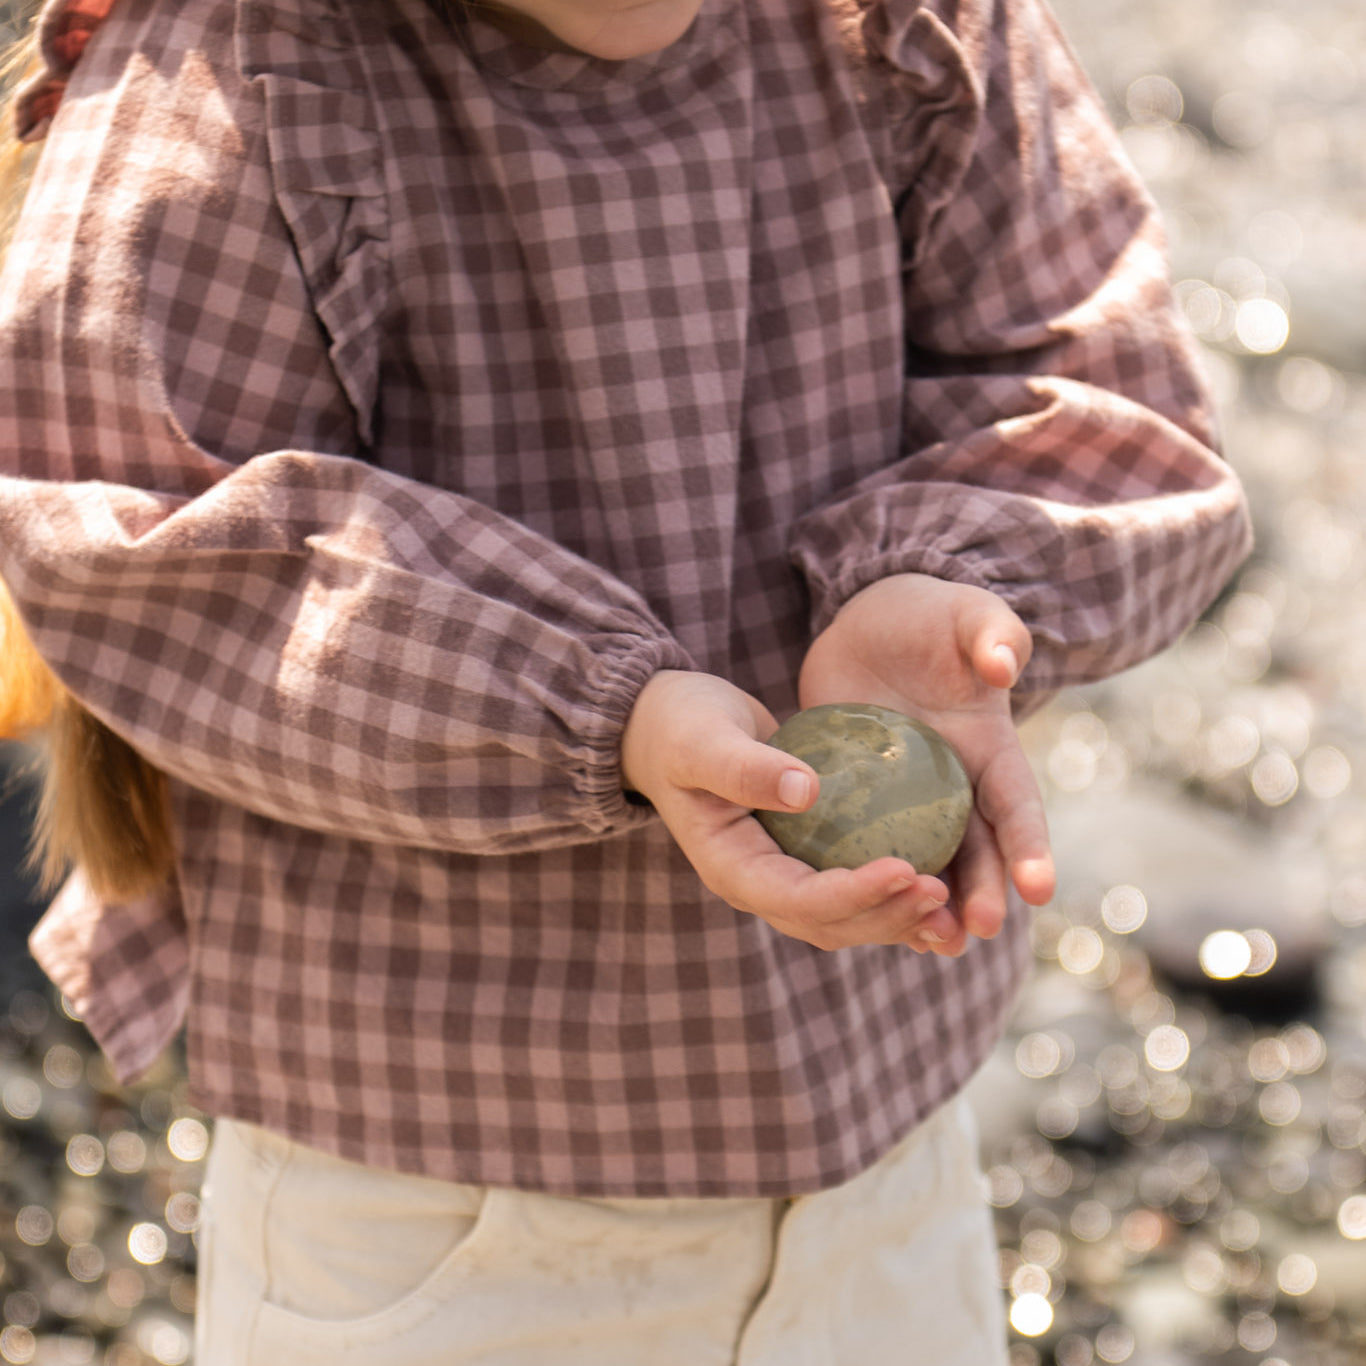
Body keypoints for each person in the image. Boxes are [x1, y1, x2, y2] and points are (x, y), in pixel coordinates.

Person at [0, 0, 1251, 1357]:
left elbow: (1108, 394)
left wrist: (943, 579)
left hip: (877, 1160)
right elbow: (136, 535)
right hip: (441, 1201)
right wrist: (602, 706)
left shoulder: (902, 28)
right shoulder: (245, 74)